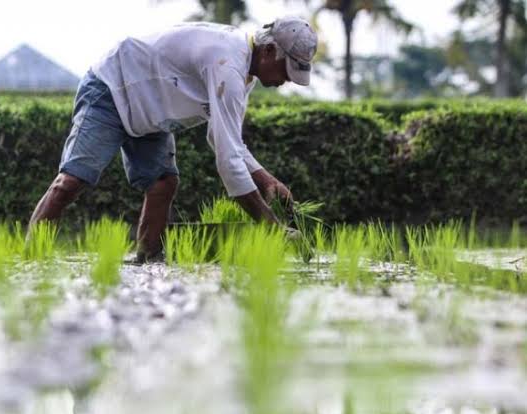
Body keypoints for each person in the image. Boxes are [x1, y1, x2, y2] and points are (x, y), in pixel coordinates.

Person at [28, 17, 318, 262]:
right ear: (268, 50)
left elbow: (224, 141)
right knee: (72, 182)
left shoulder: (243, 73)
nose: (286, 80)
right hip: (113, 88)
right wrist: (271, 225)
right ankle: (31, 260)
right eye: (285, 70)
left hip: (152, 111)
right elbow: (228, 160)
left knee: (163, 183)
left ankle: (148, 261)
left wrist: (267, 181)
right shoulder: (228, 65)